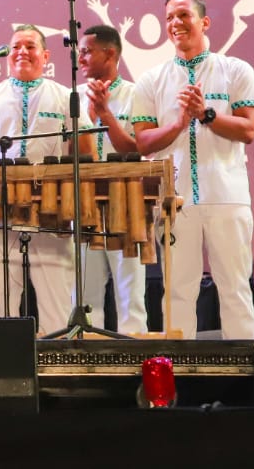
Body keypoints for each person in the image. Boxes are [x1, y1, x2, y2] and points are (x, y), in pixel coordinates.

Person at [131, 0, 254, 340]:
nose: (176, 23)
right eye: (170, 17)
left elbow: (248, 129)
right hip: (175, 201)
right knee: (177, 291)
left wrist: (206, 114)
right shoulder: (150, 80)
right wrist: (177, 124)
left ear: (204, 22)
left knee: (234, 287)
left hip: (227, 195)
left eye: (184, 15)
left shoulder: (235, 70)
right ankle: (178, 378)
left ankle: (245, 374)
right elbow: (142, 142)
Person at [0, 25, 95, 335]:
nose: (22, 52)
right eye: (16, 46)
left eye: (30, 47)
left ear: (45, 56)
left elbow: (85, 154)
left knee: (56, 303)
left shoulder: (66, 96)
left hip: (51, 208)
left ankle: (61, 371)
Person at [78, 23, 147, 334]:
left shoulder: (137, 94)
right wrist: (87, 118)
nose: (80, 59)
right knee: (84, 294)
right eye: (78, 52)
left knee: (130, 290)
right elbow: (71, 153)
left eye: (86, 52)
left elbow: (135, 150)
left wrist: (105, 115)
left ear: (110, 53)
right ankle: (87, 356)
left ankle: (134, 356)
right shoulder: (73, 97)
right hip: (82, 204)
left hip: (127, 202)